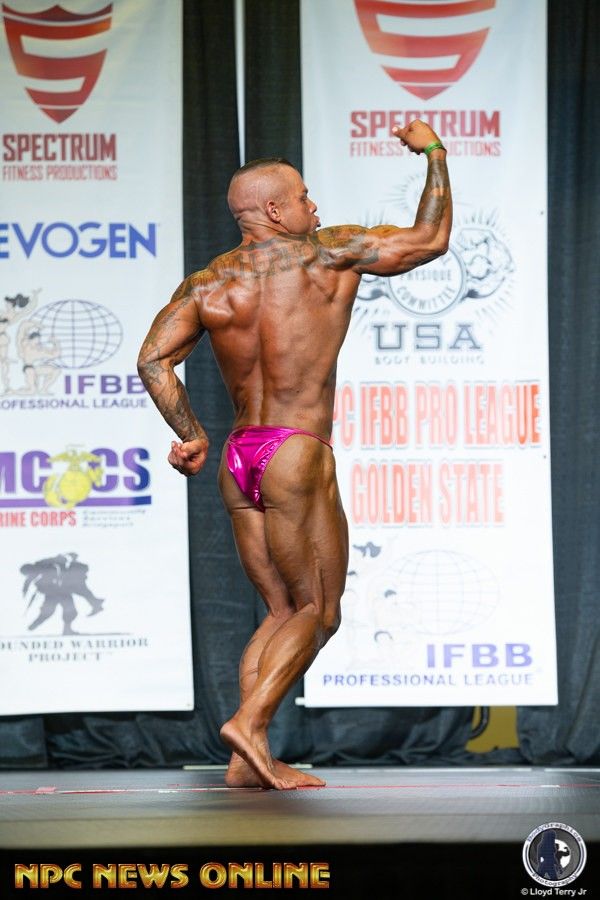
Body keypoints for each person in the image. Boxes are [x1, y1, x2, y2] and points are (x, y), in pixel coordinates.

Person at [137, 119, 452, 790]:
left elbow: (154, 361)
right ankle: (249, 726)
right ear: (276, 210)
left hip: (239, 456)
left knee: (282, 612)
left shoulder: (208, 283)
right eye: (305, 197)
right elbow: (430, 239)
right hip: (295, 451)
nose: (316, 207)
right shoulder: (326, 254)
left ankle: (243, 761)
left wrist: (192, 433)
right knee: (318, 611)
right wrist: (433, 152)